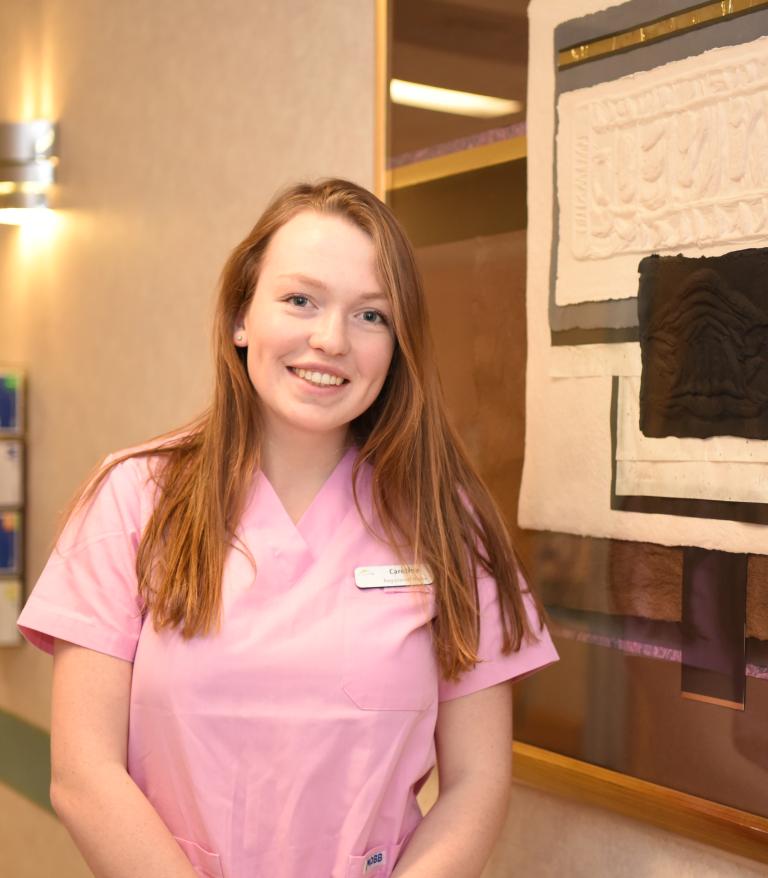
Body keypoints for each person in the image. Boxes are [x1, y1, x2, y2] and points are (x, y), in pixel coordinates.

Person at [17, 178, 558, 878]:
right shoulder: (132, 499)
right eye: (300, 300)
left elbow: (477, 784)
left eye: (372, 316)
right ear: (242, 316)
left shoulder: (448, 526)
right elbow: (84, 777)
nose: (330, 340)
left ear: (398, 345)